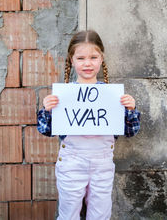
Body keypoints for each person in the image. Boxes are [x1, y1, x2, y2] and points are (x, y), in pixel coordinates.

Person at [37, 30, 140, 220]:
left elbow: (130, 131)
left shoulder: (112, 95)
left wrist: (131, 110)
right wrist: (47, 110)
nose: (87, 63)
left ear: (101, 59)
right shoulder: (63, 95)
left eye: (93, 57)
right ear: (72, 60)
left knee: (100, 215)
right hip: (71, 161)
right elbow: (46, 130)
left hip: (103, 163)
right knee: (68, 215)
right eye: (81, 58)